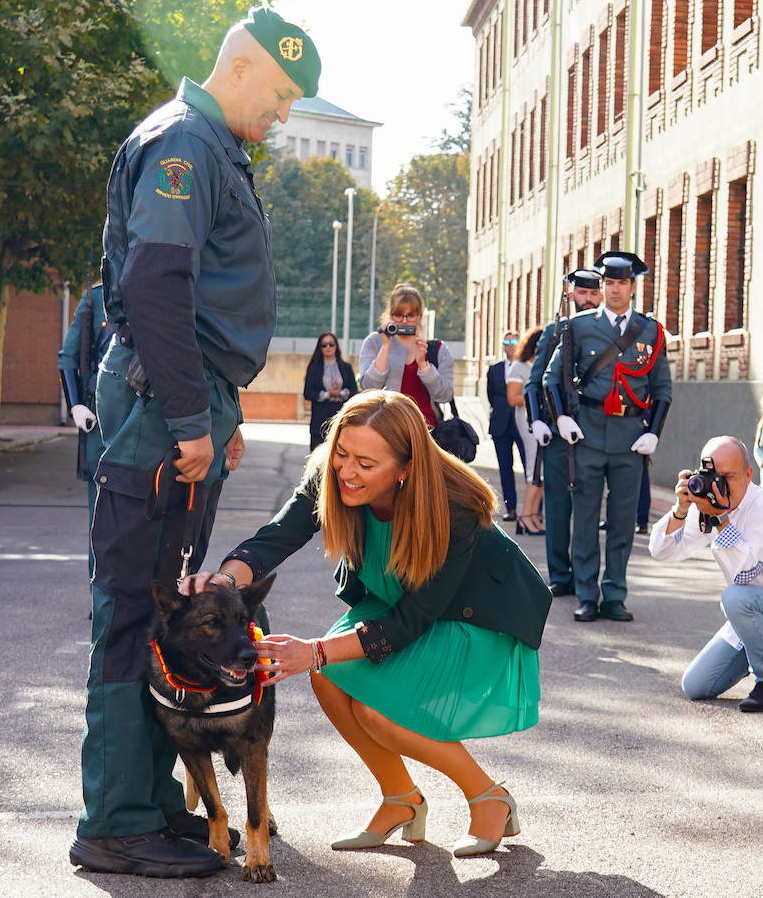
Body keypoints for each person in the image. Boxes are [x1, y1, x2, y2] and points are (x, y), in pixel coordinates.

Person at [70, 8, 320, 879]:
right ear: (243, 69)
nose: (284, 115)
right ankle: (113, 822)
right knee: (129, 615)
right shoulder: (184, 144)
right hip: (156, 408)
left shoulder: (212, 148)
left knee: (163, 610)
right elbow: (156, 281)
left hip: (186, 400)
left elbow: (202, 299)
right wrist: (188, 417)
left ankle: (150, 803)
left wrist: (222, 408)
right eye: (282, 95)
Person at [184, 391, 551, 857]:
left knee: (382, 711)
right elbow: (277, 537)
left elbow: (412, 620)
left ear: (405, 468)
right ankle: (401, 799)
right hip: (393, 603)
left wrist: (314, 648)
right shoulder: (332, 475)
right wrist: (222, 582)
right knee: (328, 677)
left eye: (365, 463)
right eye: (341, 453)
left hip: (469, 617)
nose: (347, 471)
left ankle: (488, 797)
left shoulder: (454, 506)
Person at [648, 436, 763, 711]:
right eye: (714, 476)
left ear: (749, 474)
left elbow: (745, 573)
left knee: (735, 596)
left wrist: (721, 519)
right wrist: (681, 510)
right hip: (753, 617)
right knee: (696, 685)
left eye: (728, 476)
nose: (720, 484)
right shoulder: (711, 504)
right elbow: (661, 551)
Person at [543, 251, 673, 623]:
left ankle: (614, 592)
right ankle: (587, 594)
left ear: (633, 287)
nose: (615, 290)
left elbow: (662, 387)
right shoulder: (579, 326)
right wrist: (563, 418)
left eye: (622, 283)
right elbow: (552, 378)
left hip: (630, 437)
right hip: (587, 433)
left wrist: (654, 433)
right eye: (609, 283)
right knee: (584, 519)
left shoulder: (650, 331)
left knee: (622, 519)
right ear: (602, 287)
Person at [528, 269, 603, 597]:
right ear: (571, 296)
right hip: (558, 431)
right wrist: (537, 421)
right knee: (557, 506)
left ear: (600, 295)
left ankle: (587, 576)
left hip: (597, 431)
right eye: (582, 293)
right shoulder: (555, 331)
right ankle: (560, 574)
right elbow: (535, 381)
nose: (587, 299)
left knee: (589, 507)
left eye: (593, 293)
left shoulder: (609, 333)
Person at [57, 281, 113, 548]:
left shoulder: (157, 286)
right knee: (100, 521)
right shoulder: (95, 296)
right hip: (99, 418)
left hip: (145, 417)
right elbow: (68, 357)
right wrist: (76, 404)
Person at [357, 284, 455, 428]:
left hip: (425, 429)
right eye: (398, 314)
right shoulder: (375, 342)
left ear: (419, 316)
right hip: (385, 428)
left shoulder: (437, 349)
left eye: (410, 315)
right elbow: (368, 388)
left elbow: (445, 395)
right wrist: (385, 347)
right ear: (390, 315)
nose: (404, 321)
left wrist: (424, 365)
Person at [505, 327, 544, 535]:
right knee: (533, 468)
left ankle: (533, 515)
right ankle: (526, 516)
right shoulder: (519, 366)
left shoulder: (543, 365)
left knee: (542, 471)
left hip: (544, 422)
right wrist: (538, 398)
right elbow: (512, 398)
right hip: (528, 422)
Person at [486, 330, 525, 521]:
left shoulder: (526, 367)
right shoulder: (495, 369)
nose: (510, 344)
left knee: (531, 466)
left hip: (523, 422)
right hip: (500, 424)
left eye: (514, 340)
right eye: (507, 341)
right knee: (505, 467)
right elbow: (491, 396)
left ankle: (534, 510)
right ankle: (511, 509)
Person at [303, 331, 357, 450]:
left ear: (336, 346)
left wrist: (341, 393)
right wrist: (327, 394)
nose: (328, 347)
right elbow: (307, 393)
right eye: (324, 345)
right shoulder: (314, 368)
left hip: (340, 417)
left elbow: (354, 392)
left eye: (331, 344)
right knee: (317, 459)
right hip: (320, 419)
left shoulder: (346, 367)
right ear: (320, 348)